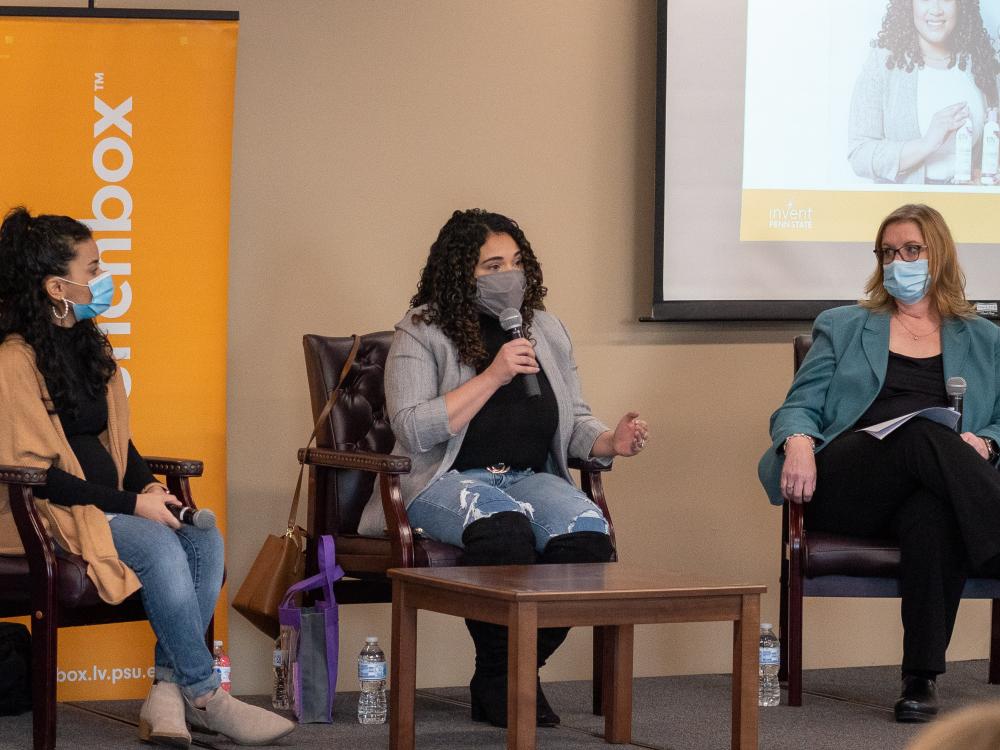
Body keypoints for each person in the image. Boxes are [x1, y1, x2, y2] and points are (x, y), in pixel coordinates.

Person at [0, 207, 294, 748]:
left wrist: (147, 486)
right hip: (48, 514)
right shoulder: (15, 359)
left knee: (202, 534)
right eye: (92, 270)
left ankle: (165, 693)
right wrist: (133, 506)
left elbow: (119, 440)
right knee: (161, 545)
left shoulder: (90, 346)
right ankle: (207, 696)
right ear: (55, 286)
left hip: (109, 505)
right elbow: (38, 478)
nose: (103, 279)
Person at [356, 208, 649, 727]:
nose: (507, 275)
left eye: (515, 262)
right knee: (505, 534)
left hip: (529, 476)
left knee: (588, 537)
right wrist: (492, 375)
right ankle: (505, 679)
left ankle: (510, 670)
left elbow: (572, 418)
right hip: (444, 480)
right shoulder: (422, 331)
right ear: (460, 272)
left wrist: (611, 440)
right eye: (492, 266)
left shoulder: (545, 328)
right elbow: (412, 428)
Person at [758, 203, 1000, 723]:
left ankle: (920, 680)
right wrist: (798, 441)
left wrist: (988, 444)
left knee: (931, 514)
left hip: (934, 484)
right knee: (921, 432)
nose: (899, 262)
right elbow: (798, 404)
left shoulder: (985, 338)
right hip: (849, 482)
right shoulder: (844, 326)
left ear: (939, 255)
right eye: (889, 252)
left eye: (912, 250)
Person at [848, 0, 1000, 184]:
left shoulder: (981, 61)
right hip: (907, 209)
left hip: (968, 206)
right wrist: (927, 143)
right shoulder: (883, 63)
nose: (936, 10)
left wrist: (985, 173)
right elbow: (859, 154)